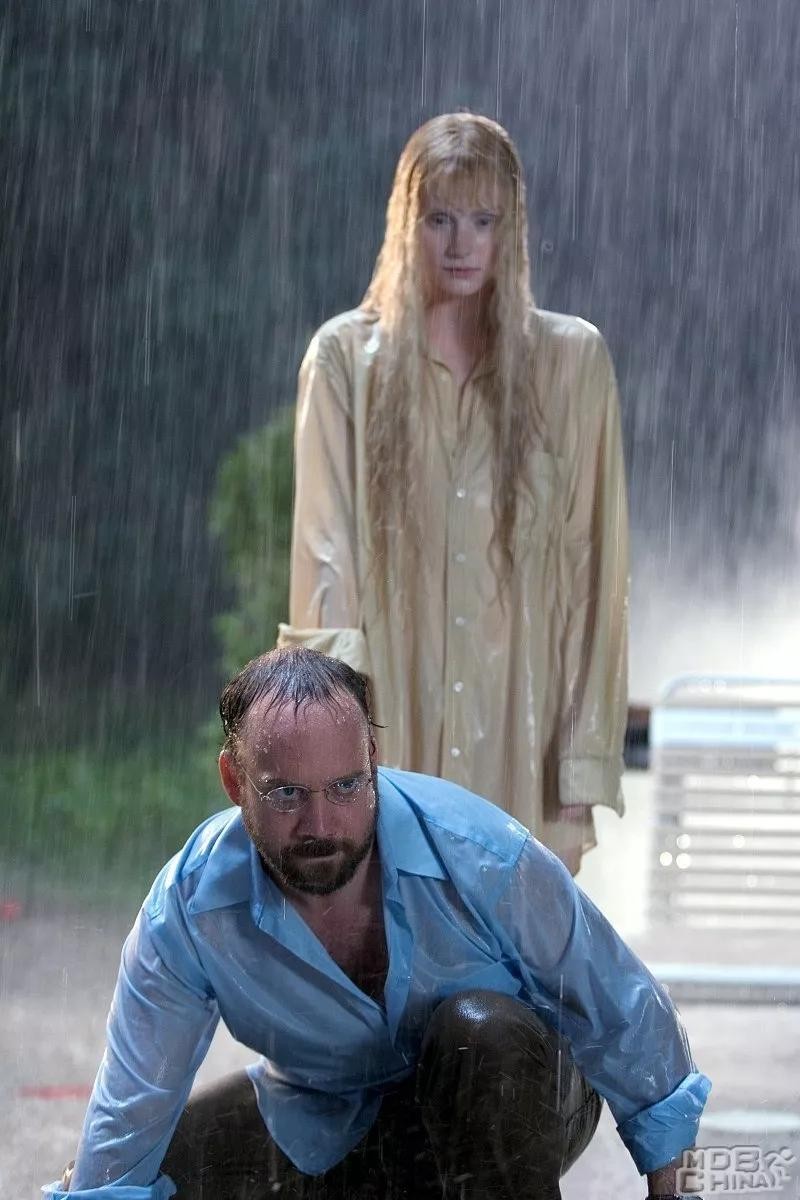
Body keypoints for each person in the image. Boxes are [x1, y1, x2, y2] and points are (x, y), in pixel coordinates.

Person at [48, 647, 709, 1200]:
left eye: (345, 786)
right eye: (286, 794)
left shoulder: (482, 854)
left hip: (514, 1102)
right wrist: (102, 1186)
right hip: (327, 1114)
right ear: (234, 781)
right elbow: (132, 1105)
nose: (321, 825)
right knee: (129, 1178)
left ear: (373, 760)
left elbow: (620, 1006)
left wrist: (677, 1187)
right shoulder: (188, 909)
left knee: (482, 1030)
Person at [277, 112, 629, 877]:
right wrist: (328, 769)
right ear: (407, 225)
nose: (461, 243)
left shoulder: (572, 366)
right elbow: (327, 568)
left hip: (525, 756)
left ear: (512, 230)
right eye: (440, 218)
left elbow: (594, 577)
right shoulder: (345, 362)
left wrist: (582, 769)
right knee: (384, 949)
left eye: (483, 219)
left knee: (513, 953)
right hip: (390, 753)